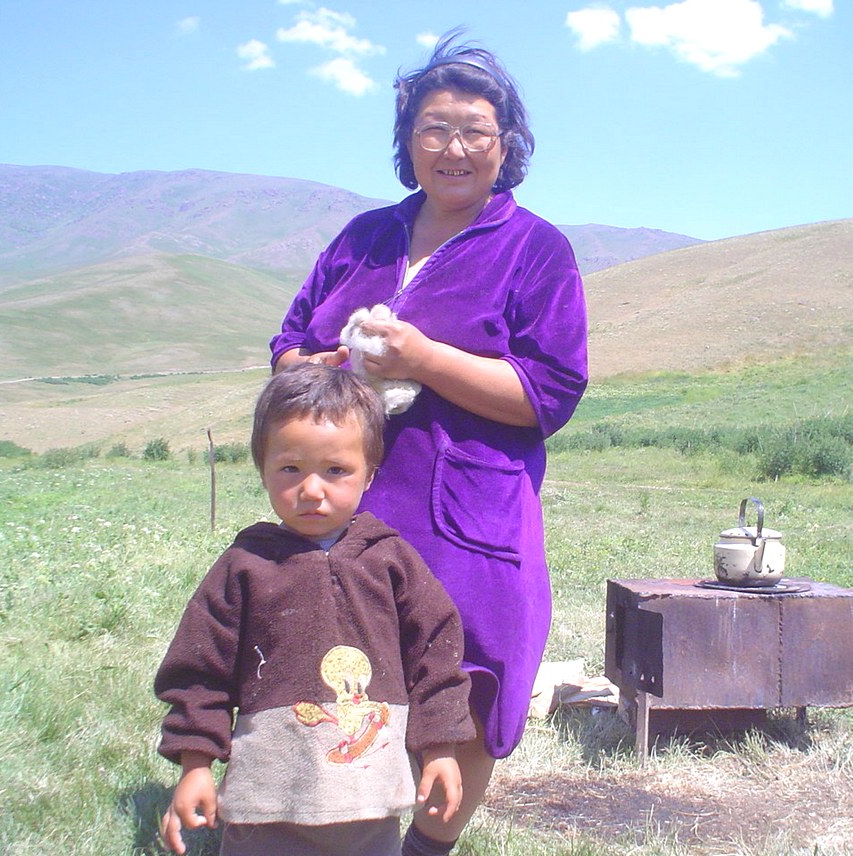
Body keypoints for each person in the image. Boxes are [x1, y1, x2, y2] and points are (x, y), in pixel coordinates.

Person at [269, 32, 588, 856]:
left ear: (505, 145)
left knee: (468, 683)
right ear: (408, 143)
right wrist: (330, 364)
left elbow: (548, 393)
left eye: (474, 131)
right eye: (433, 128)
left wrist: (422, 361)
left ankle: (426, 847)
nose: (453, 148)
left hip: (467, 522)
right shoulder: (362, 239)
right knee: (341, 678)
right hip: (341, 512)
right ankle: (341, 834)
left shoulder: (535, 250)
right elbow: (287, 345)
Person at [155, 364, 476, 856]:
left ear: (369, 474)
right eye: (290, 469)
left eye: (335, 470)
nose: (311, 489)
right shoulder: (244, 567)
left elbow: (436, 654)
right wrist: (195, 764)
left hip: (368, 797)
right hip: (267, 796)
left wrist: (440, 748)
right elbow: (200, 672)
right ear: (262, 467)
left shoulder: (391, 561)